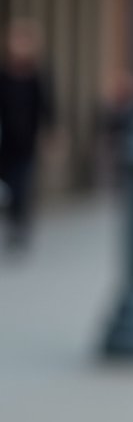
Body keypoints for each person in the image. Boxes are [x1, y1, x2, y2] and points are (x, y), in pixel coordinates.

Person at [0, 18, 53, 251]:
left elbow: (46, 106)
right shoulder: (3, 75)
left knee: (23, 184)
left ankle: (21, 226)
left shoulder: (36, 76)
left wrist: (51, 134)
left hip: (27, 141)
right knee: (8, 185)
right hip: (5, 141)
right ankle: (13, 223)